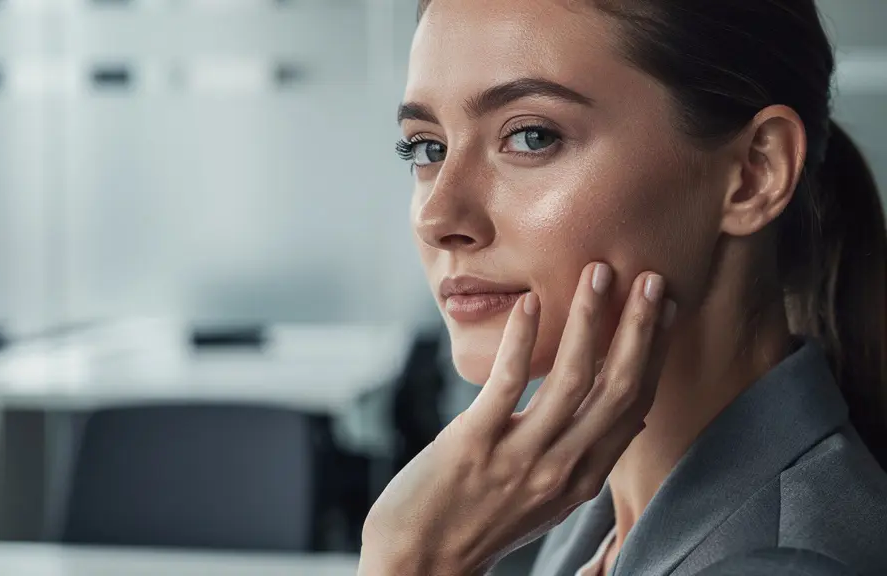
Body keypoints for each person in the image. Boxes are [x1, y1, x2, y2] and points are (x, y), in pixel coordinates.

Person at [357, 1, 887, 575]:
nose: (438, 217)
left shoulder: (789, 565)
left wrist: (412, 561)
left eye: (532, 137)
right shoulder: (576, 522)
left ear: (756, 172)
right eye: (428, 148)